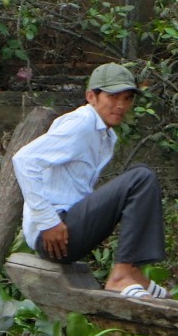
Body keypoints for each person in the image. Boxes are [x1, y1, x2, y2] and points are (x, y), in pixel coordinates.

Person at [11, 62, 168, 299]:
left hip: (65, 229)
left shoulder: (105, 135)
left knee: (141, 179)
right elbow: (24, 160)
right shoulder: (82, 122)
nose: (121, 105)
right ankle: (121, 275)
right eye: (113, 97)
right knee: (141, 178)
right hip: (53, 233)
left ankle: (132, 271)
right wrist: (47, 221)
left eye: (127, 98)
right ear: (91, 97)